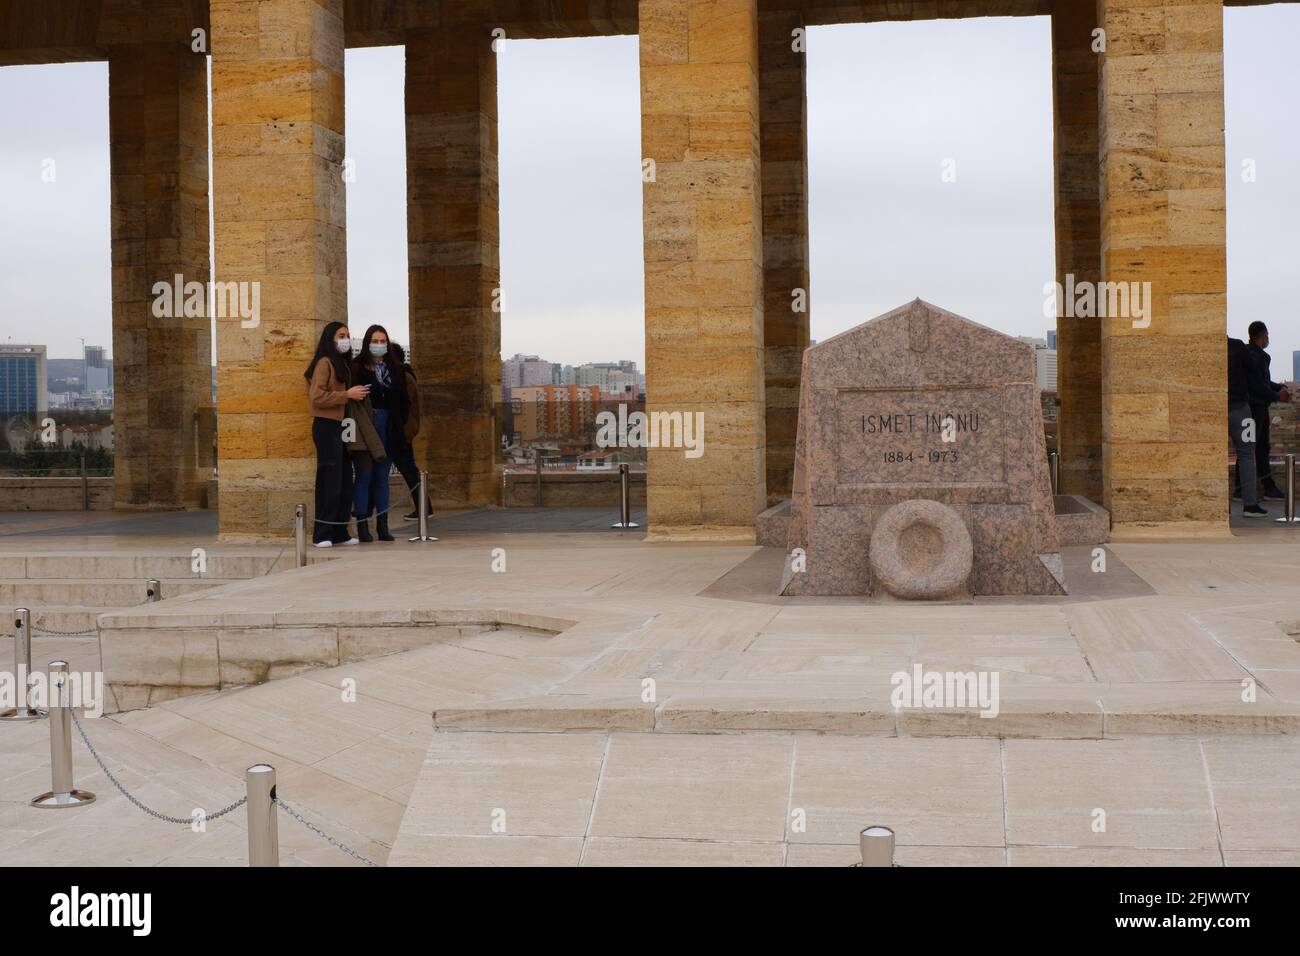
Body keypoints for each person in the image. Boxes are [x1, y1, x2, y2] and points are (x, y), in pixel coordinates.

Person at [305, 322, 369, 547]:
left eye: (348, 335)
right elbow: (317, 397)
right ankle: (322, 533)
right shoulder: (324, 363)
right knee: (329, 480)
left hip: (342, 425)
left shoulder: (341, 363)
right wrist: (347, 394)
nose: (346, 339)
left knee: (344, 480)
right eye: (341, 335)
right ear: (330, 339)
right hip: (326, 425)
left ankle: (340, 531)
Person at [350, 325, 401, 542]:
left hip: (388, 426)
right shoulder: (357, 368)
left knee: (382, 478)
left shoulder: (395, 368)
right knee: (364, 476)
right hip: (366, 426)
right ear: (367, 342)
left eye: (383, 341)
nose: (379, 345)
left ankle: (382, 524)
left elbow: (402, 400)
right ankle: (362, 524)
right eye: (375, 340)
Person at [1239, 321, 1291, 501]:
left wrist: (1277, 386)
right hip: (1257, 409)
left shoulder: (1246, 353)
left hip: (1248, 408)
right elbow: (1259, 385)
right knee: (1257, 448)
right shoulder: (1260, 357)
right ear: (1264, 335)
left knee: (1248, 447)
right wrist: (1278, 396)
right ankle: (1264, 489)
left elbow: (1260, 381)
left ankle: (1246, 489)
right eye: (1267, 335)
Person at [389, 343, 432, 521]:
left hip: (402, 431)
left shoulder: (403, 376)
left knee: (410, 471)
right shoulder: (403, 374)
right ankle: (425, 507)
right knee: (410, 470)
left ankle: (424, 508)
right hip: (402, 430)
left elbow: (406, 405)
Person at [1228, 336, 1267, 518]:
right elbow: (1254, 373)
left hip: (1213, 410)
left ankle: (1218, 505)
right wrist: (1273, 394)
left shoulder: (1202, 345)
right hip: (1241, 410)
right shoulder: (1237, 345)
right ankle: (1250, 505)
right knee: (1247, 454)